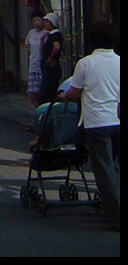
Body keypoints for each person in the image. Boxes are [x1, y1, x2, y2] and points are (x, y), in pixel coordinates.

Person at [66, 20, 120, 232]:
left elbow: (74, 93)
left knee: (104, 170)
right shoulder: (119, 61)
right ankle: (108, 208)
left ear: (92, 40)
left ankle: (115, 216)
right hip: (117, 120)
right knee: (114, 166)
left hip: (97, 122)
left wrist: (66, 95)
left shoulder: (86, 63)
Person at [38, 13, 63, 105]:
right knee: (48, 93)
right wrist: (42, 40)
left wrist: (51, 58)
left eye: (47, 21)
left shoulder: (55, 35)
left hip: (51, 70)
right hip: (46, 68)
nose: (45, 23)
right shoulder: (49, 35)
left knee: (44, 94)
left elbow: (57, 47)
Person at [24, 10, 46, 107]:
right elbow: (26, 43)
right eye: (34, 21)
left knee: (42, 92)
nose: (36, 23)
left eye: (38, 20)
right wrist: (32, 51)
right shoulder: (31, 33)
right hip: (33, 65)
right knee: (31, 93)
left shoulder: (46, 33)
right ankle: (38, 110)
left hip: (42, 65)